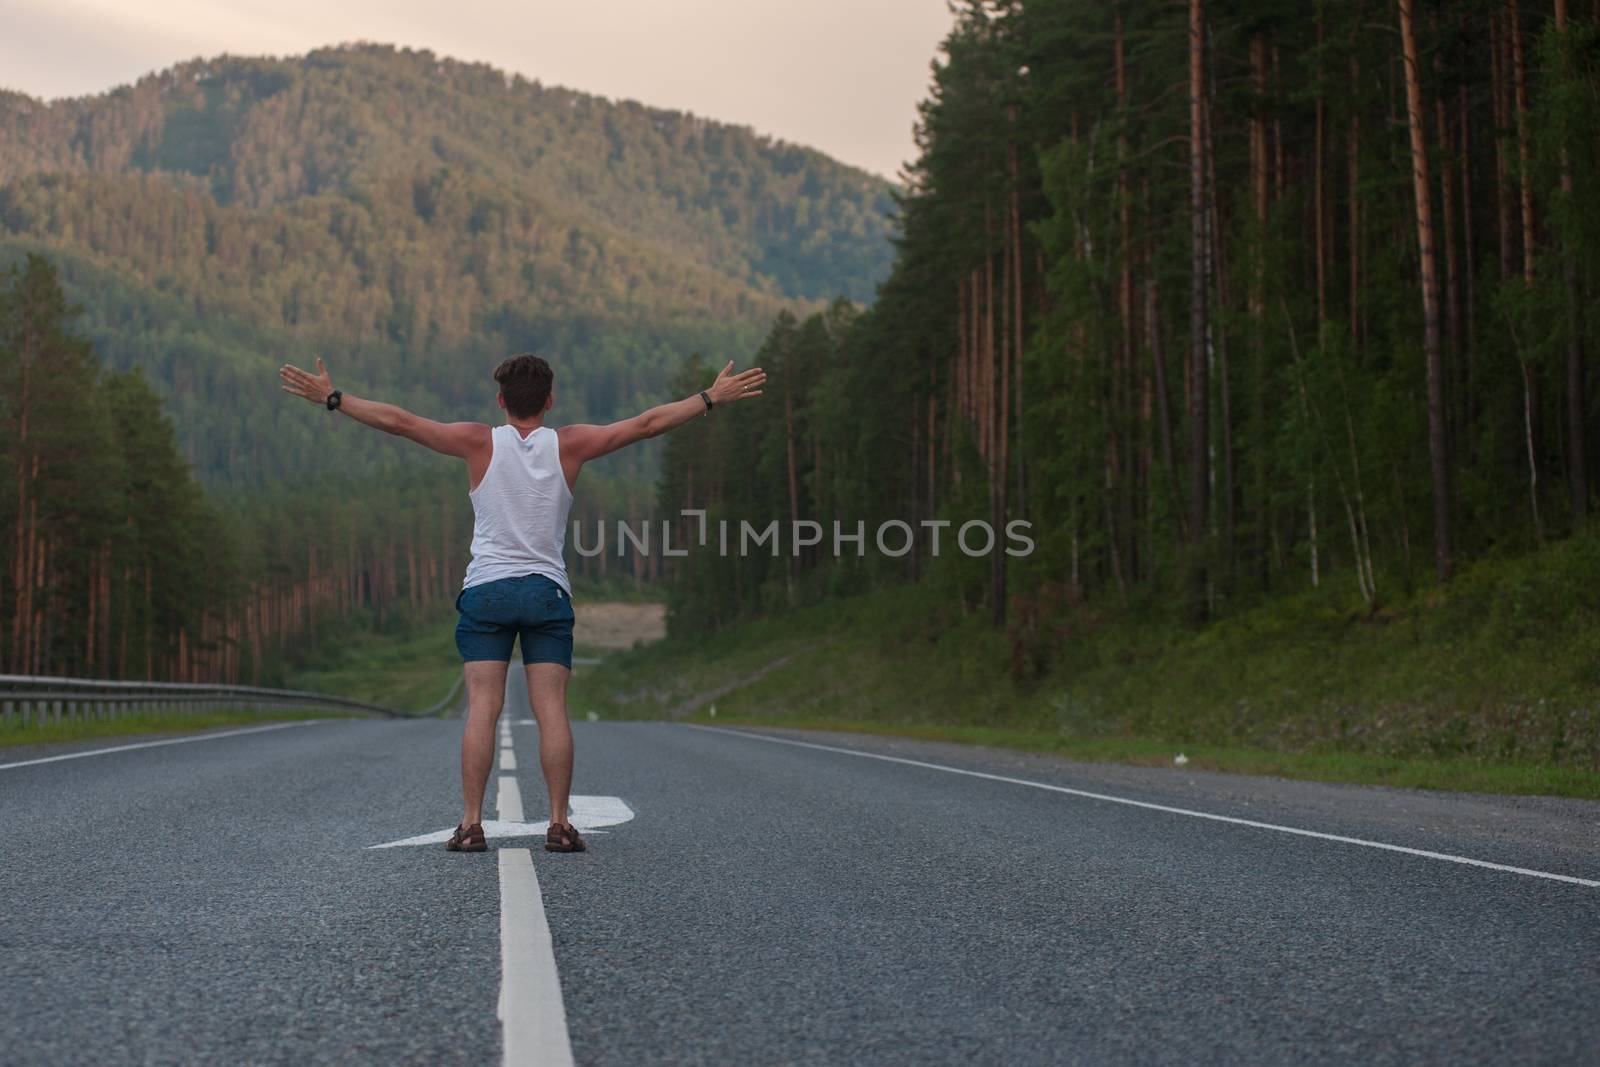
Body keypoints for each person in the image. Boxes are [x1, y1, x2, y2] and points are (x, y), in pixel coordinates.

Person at [279, 354, 765, 852]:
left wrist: (335, 399)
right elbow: (645, 424)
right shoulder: (570, 444)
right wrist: (708, 397)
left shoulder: (478, 441)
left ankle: (470, 826)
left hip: (486, 591)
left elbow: (401, 422)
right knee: (551, 709)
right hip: (545, 592)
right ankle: (559, 824)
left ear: (501, 401)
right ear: (549, 401)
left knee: (482, 709)